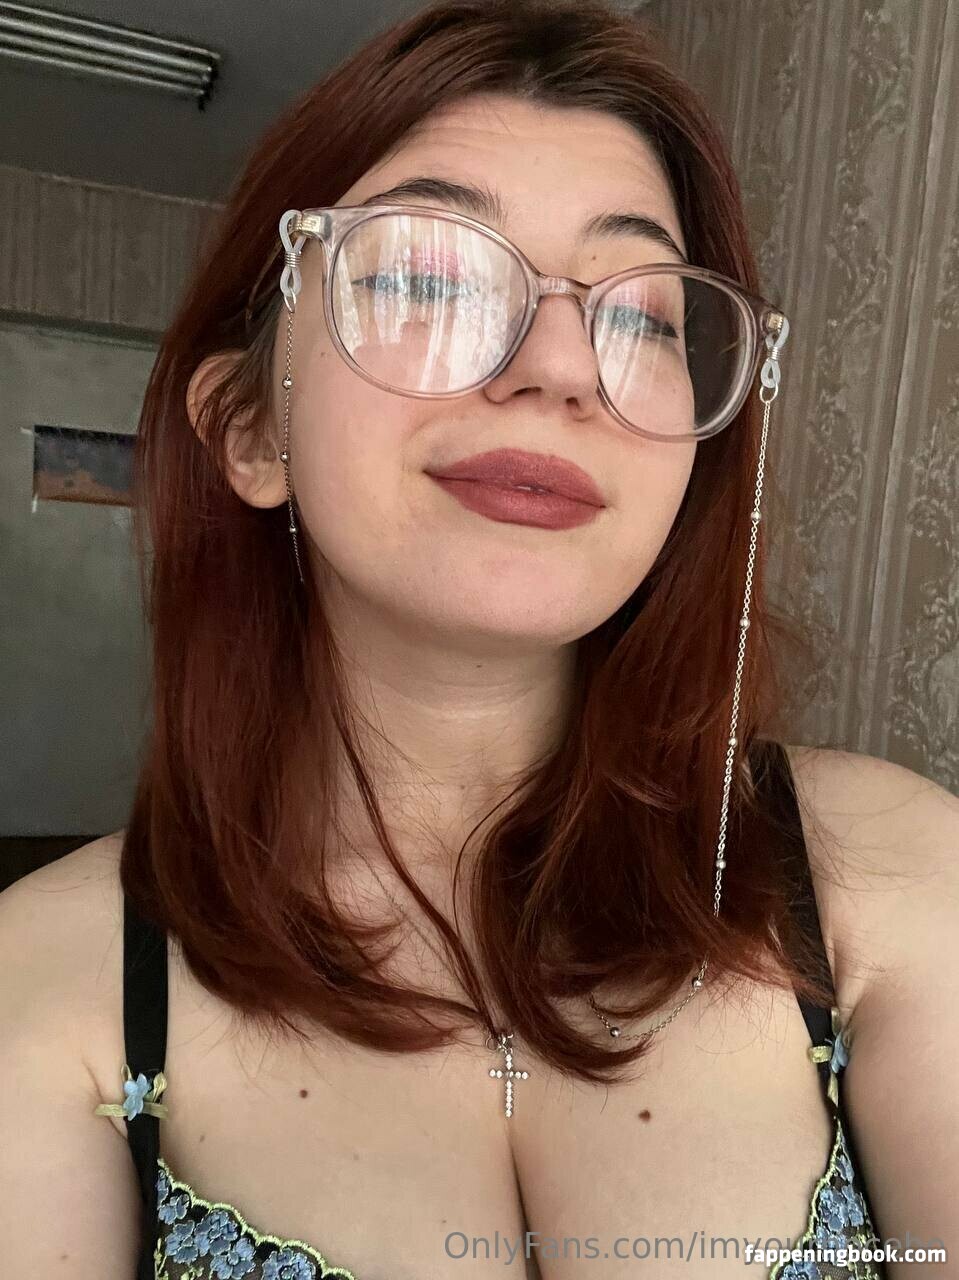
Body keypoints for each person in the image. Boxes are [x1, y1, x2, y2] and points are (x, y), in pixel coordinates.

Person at [2, 1, 956, 1277]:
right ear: (249, 426)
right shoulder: (44, 986)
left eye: (642, 313)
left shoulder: (887, 876)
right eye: (423, 273)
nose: (558, 364)